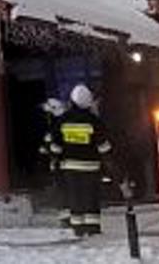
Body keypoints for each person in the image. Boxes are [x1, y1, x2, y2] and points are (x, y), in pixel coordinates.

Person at [41, 84, 112, 237]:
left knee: (75, 197)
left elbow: (56, 147)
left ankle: (78, 228)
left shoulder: (63, 120)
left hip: (70, 168)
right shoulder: (93, 121)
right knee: (90, 197)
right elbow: (104, 147)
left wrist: (55, 160)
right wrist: (109, 162)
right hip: (91, 167)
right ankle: (92, 228)